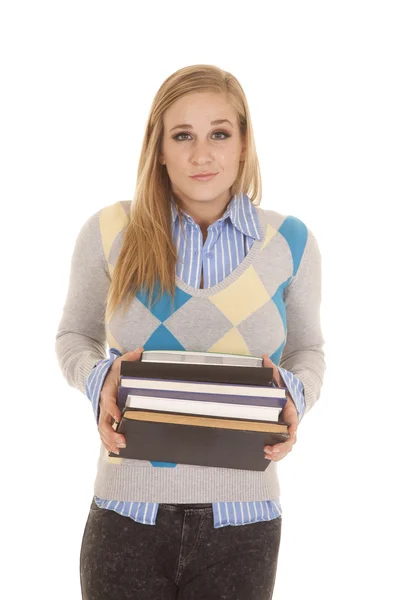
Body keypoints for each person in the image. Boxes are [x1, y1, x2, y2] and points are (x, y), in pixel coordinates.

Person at [55, 63, 325, 600]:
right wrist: (99, 378)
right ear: (158, 148)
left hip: (243, 521)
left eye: (219, 134)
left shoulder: (289, 242)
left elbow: (307, 350)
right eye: (183, 136)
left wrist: (295, 396)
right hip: (127, 514)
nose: (203, 155)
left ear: (244, 143)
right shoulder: (111, 232)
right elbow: (74, 337)